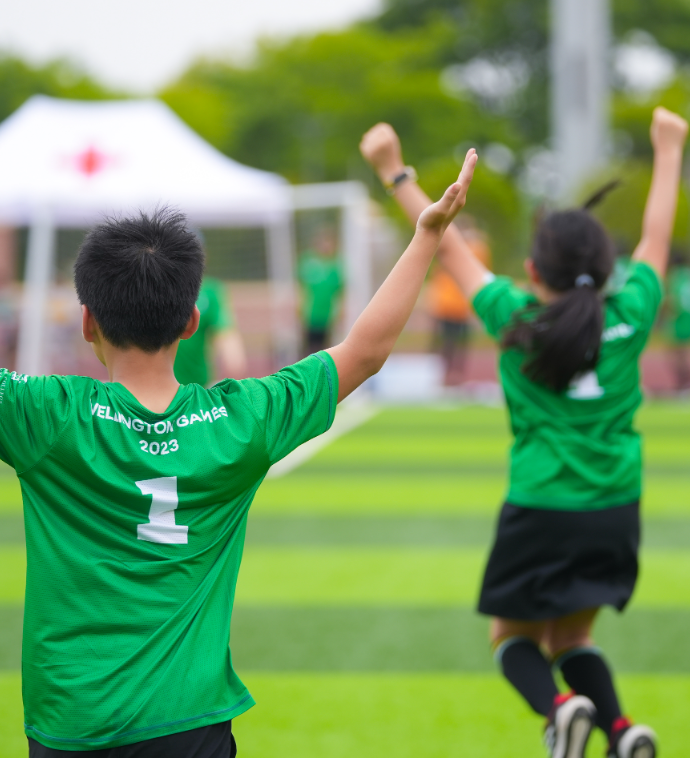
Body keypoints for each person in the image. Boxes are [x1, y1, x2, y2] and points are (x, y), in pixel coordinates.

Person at [9, 149, 478, 757]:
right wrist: (427, 236)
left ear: (87, 321)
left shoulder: (43, 414)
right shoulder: (241, 421)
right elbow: (364, 350)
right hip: (192, 723)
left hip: (71, 723)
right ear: (192, 321)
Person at [360, 108, 688, 758]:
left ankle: (561, 710)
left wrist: (393, 170)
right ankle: (621, 733)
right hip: (616, 511)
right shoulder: (633, 309)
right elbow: (655, 236)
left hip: (542, 507)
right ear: (608, 267)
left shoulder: (515, 317)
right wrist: (670, 151)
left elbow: (446, 243)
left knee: (513, 641)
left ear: (533, 272)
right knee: (573, 640)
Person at [426, 217, 491, 385]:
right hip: (447, 304)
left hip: (463, 304)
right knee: (446, 342)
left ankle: (456, 375)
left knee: (461, 343)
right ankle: (444, 375)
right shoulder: (448, 247)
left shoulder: (475, 248)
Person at [174, 276, 247, 386]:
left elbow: (229, 342)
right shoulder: (150, 288)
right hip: (156, 389)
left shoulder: (209, 293)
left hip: (198, 388)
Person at [298, 228, 344, 355]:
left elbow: (340, 292)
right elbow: (302, 288)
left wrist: (340, 311)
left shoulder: (335, 266)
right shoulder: (309, 263)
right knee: (307, 347)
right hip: (310, 314)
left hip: (327, 315)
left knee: (324, 349)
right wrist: (299, 306)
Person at [665, 254, 690, 390]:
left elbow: (673, 301)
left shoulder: (674, 276)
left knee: (677, 354)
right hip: (688, 318)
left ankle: (683, 384)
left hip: (679, 321)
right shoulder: (688, 275)